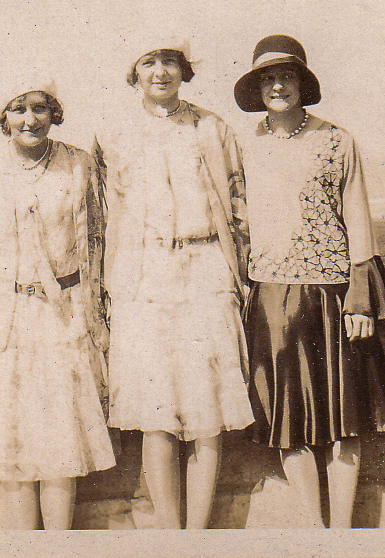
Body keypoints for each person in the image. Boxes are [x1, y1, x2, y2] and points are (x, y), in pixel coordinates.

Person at [233, 35, 385, 528]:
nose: (277, 86)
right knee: (290, 420)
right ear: (257, 88)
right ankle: (313, 529)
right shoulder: (243, 146)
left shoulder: (336, 141)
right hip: (270, 295)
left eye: (286, 76)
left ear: (302, 84)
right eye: (267, 78)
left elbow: (358, 219)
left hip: (331, 294)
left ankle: (342, 533)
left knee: (343, 417)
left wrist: (360, 300)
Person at [94, 35, 254, 529]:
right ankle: (170, 532)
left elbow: (240, 206)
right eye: (149, 62)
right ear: (134, 72)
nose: (160, 71)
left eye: (170, 61)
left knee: (209, 413)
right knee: (155, 410)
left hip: (206, 270)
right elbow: (101, 217)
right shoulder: (113, 133)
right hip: (143, 277)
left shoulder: (212, 128)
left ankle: (200, 533)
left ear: (184, 69)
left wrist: (242, 273)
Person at [0, 77, 115, 530]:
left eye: (40, 108)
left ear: (54, 113)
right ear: (3, 117)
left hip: (60, 318)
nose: (30, 119)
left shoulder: (78, 165)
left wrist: (92, 312)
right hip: (3, 322)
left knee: (61, 438)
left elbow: (96, 242)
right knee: (12, 437)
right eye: (19, 109)